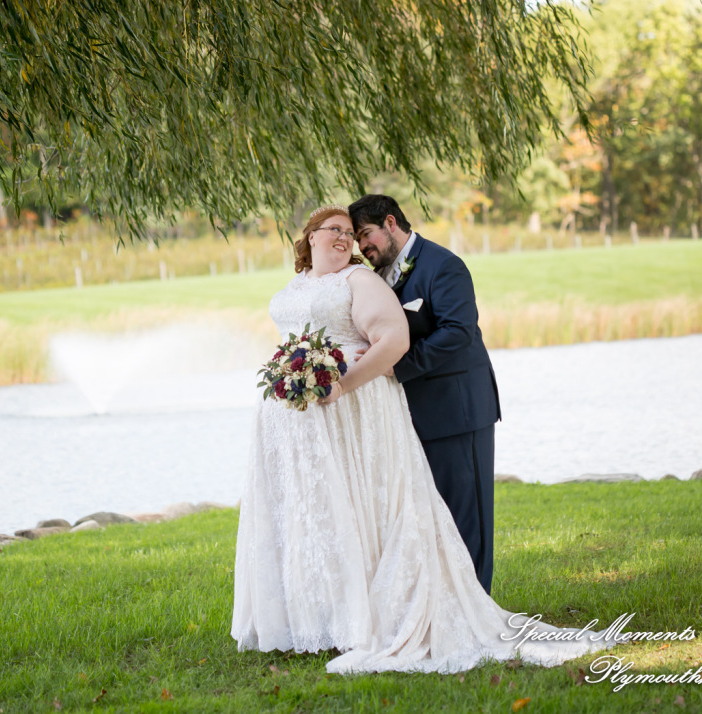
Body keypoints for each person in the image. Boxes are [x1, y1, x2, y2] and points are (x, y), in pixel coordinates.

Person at [231, 205, 618, 674]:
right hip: (336, 419)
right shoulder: (360, 275)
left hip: (453, 403)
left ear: (390, 224)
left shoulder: (432, 266)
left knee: (459, 510)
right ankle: (330, 616)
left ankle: (462, 604)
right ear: (310, 235)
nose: (354, 242)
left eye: (357, 234)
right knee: (344, 511)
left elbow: (453, 332)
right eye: (341, 232)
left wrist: (364, 376)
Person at [349, 194, 500, 594]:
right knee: (430, 516)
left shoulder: (443, 265)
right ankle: (445, 603)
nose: (363, 248)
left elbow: (457, 332)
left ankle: (478, 603)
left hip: (458, 411)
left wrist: (393, 365)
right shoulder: (379, 276)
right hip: (412, 415)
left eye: (366, 235)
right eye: (358, 240)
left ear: (392, 223)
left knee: (467, 514)